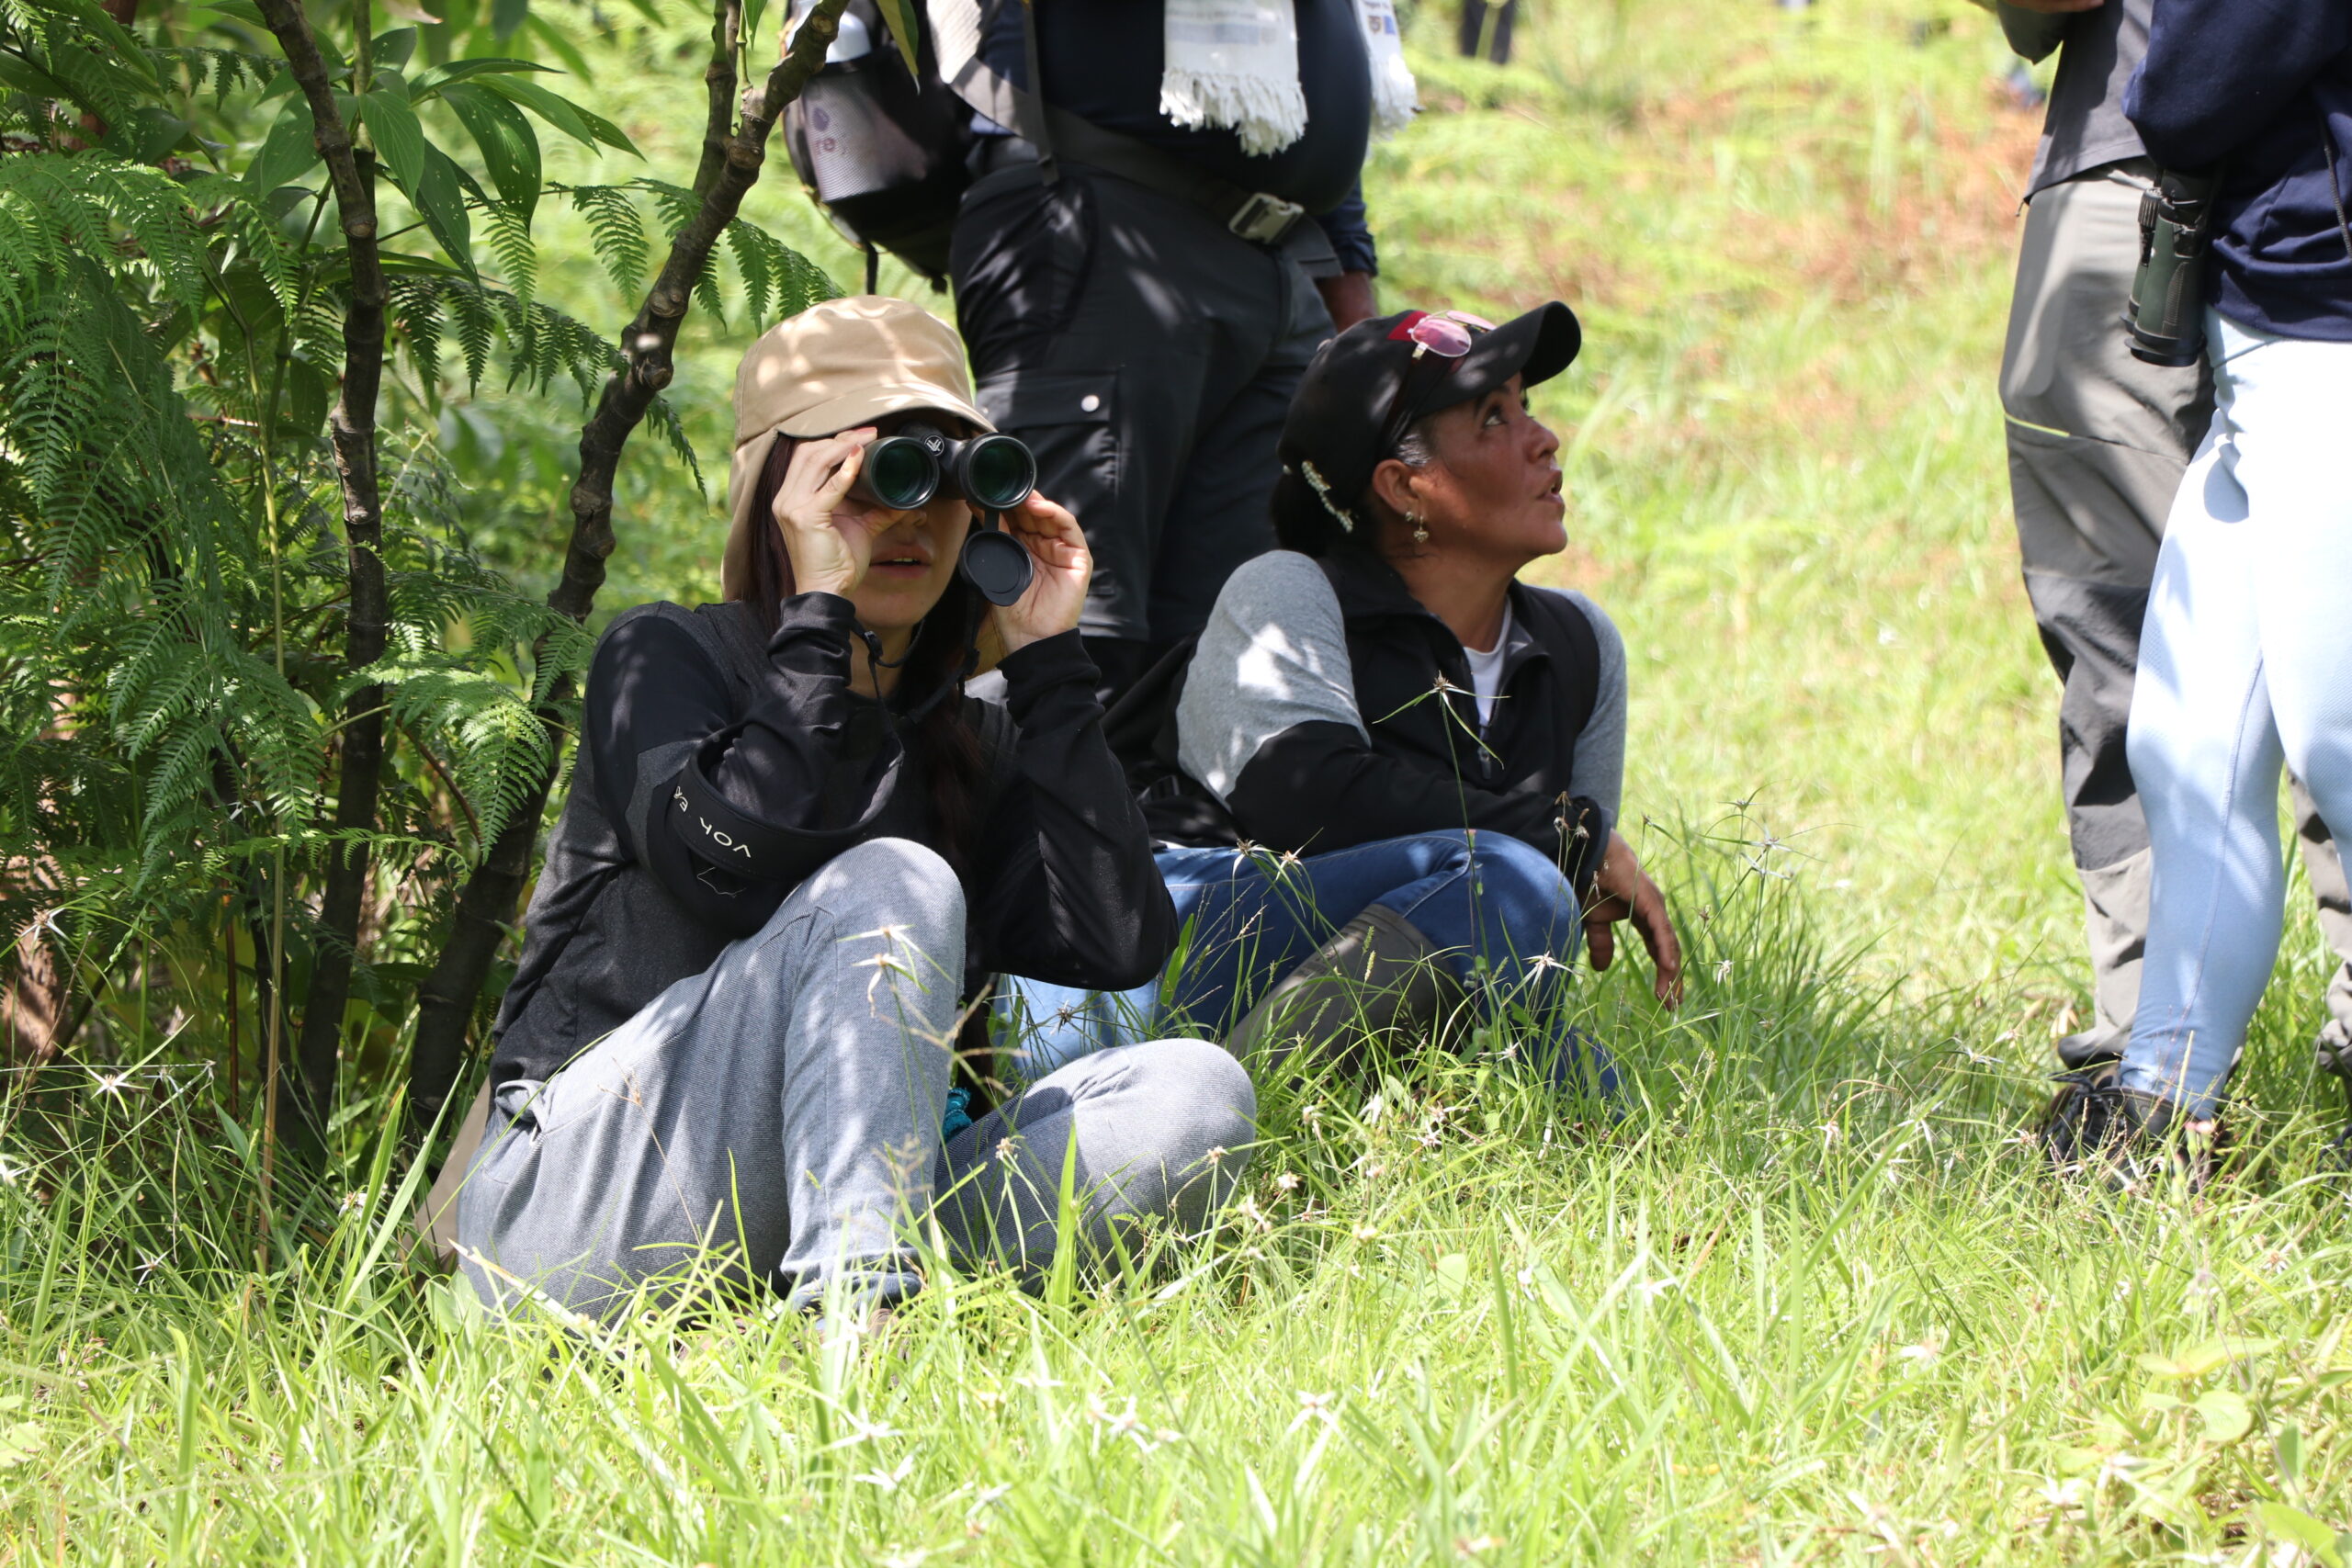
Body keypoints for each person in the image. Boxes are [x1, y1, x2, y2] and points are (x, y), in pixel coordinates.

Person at [452, 297, 1254, 1322]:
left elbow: (1117, 941)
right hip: (578, 1209)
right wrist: (817, 612)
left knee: (1194, 1091)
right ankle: (858, 1323)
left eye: (944, 480)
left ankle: (818, 1303)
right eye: (870, 477)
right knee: (893, 879)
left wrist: (1049, 663)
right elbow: (727, 862)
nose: (910, 517)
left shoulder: (968, 734)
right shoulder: (664, 655)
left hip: (811, 1206)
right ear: (783, 497)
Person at [1002, 304, 1683, 1093]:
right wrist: (1565, 837)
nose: (1545, 439)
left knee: (1598, 1090)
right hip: (1149, 958)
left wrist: (1570, 851)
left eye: (1526, 405)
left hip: (1372, 984)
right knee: (1508, 880)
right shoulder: (1288, 590)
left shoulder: (1582, 645)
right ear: (1404, 487)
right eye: (1494, 418)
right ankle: (1238, 1123)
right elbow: (1306, 798)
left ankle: (1267, 1110)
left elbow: (1560, 911)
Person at [1987, 0, 2352, 1122]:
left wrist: (2170, 93)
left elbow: (2192, 83)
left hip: (2321, 317)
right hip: (2261, 312)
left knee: (2333, 735)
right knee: (2186, 742)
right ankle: (2158, 1104)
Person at [943, 0, 1409, 703]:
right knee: (1065, 635)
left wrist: (1352, 301)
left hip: (1272, 261)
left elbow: (1302, 89)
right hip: (1105, 226)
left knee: (1228, 661)